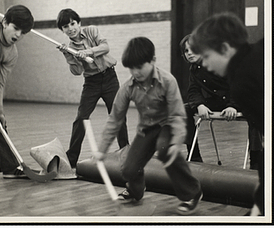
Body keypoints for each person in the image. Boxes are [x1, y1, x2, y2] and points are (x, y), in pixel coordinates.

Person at [93, 37, 202, 215]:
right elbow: (115, 119)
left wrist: (177, 141)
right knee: (128, 170)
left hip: (167, 126)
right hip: (146, 130)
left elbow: (178, 114)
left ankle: (192, 193)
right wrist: (102, 149)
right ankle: (136, 192)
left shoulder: (167, 81)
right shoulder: (128, 87)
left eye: (140, 67)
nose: (135, 72)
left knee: (165, 149)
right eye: (131, 68)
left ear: (152, 61)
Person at [190, 12, 264, 216]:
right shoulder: (260, 50)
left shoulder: (243, 82)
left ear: (224, 48)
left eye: (206, 56)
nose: (204, 64)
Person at [56, 8, 129, 169]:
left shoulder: (91, 31)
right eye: (66, 27)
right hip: (91, 83)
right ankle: (71, 159)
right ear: (62, 30)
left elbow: (105, 47)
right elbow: (77, 72)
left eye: (73, 23)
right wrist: (68, 55)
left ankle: (125, 151)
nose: (71, 28)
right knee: (81, 118)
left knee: (118, 115)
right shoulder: (70, 47)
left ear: (79, 23)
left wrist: (87, 52)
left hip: (110, 78)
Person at [0, 5, 34, 178]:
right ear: (5, 22)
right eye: (16, 28)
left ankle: (9, 168)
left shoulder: (11, 54)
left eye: (23, 32)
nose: (18, 35)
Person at [180, 34, 239, 163]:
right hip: (219, 102)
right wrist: (199, 105)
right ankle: (194, 156)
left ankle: (257, 161)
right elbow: (193, 90)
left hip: (238, 102)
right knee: (183, 110)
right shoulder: (194, 69)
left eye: (193, 49)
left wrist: (232, 105)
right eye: (186, 51)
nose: (189, 53)